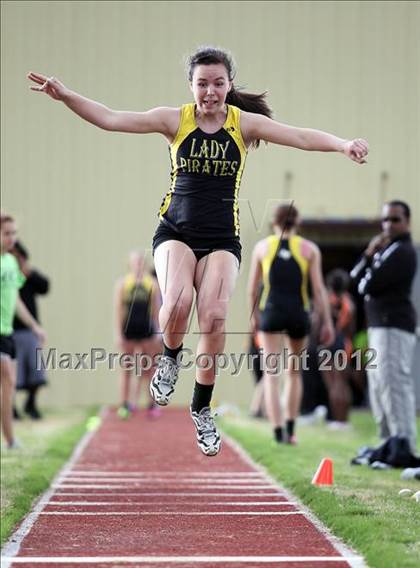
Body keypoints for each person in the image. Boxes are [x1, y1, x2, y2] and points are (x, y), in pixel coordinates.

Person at [28, 46, 368, 456]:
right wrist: (67, 96)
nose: (210, 92)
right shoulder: (175, 120)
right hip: (174, 231)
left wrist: (342, 144)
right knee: (177, 302)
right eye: (202, 84)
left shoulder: (245, 125)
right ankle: (170, 358)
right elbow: (111, 118)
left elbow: (298, 136)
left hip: (223, 238)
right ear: (191, 85)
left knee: (215, 316)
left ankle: (201, 409)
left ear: (229, 85)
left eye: (218, 84)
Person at [248, 204, 335, 444]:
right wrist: (327, 321)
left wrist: (253, 318)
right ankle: (291, 428)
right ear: (297, 223)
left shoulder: (262, 247)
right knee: (294, 373)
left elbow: (252, 289)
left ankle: (277, 432)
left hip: (272, 313)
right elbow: (318, 289)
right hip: (298, 313)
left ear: (274, 223)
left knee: (271, 375)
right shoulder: (309, 249)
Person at [350, 200, 417, 453]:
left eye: (395, 219)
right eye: (386, 219)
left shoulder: (403, 251)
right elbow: (355, 278)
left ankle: (404, 442)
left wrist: (369, 271)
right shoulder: (385, 249)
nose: (389, 224)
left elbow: (368, 286)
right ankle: (388, 441)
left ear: (407, 222)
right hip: (379, 326)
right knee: (378, 383)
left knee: (394, 382)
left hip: (393, 326)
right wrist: (369, 254)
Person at [1, 214, 46, 449]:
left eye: (14, 233)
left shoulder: (10, 262)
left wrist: (34, 325)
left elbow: (15, 300)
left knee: (9, 384)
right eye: (6, 233)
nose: (11, 238)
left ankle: (10, 439)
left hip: (7, 333)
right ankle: (10, 439)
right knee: (8, 378)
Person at [114, 252, 162, 419]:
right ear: (130, 264)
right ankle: (125, 404)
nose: (138, 265)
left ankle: (152, 404)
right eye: (135, 262)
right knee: (127, 368)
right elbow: (119, 310)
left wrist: (157, 331)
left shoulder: (152, 284)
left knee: (149, 368)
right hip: (129, 330)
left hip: (146, 330)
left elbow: (156, 310)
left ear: (145, 264)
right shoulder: (123, 284)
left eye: (141, 261)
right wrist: (119, 334)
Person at [12, 241, 50, 420]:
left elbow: (45, 287)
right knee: (12, 374)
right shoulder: (7, 276)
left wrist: (30, 273)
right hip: (10, 331)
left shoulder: (27, 275)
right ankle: (10, 408)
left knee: (36, 372)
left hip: (30, 331)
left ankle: (31, 404)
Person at [322, 269, 355, 429]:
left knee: (333, 385)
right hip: (344, 344)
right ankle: (344, 420)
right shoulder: (349, 304)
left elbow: (318, 325)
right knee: (342, 383)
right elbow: (351, 329)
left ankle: (336, 420)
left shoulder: (326, 301)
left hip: (329, 343)